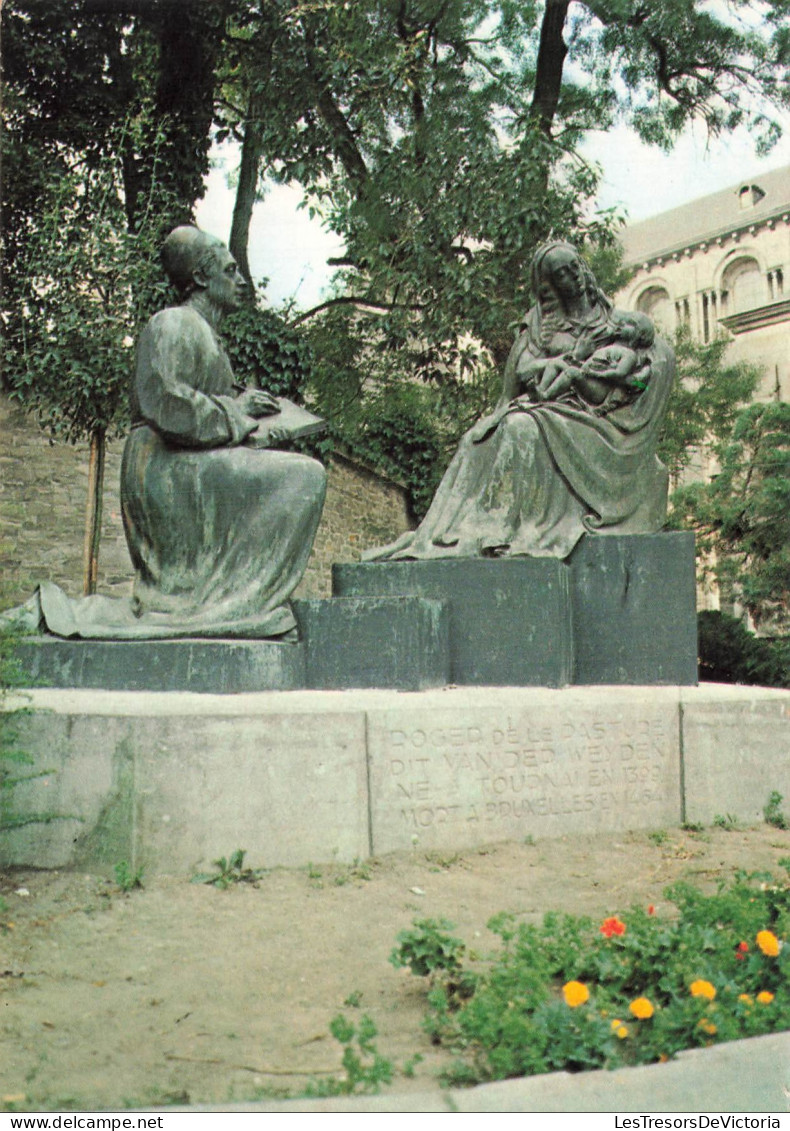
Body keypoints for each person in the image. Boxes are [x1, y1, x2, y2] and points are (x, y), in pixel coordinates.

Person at [5, 226, 327, 639]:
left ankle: (229, 601)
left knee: (297, 474)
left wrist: (259, 423)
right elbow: (166, 403)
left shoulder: (210, 337)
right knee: (303, 477)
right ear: (200, 277)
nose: (242, 280)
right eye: (230, 271)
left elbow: (212, 411)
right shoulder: (172, 322)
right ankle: (231, 606)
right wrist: (237, 411)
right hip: (163, 467)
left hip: (190, 461)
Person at [363, 241, 674, 563]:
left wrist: (623, 381)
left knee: (519, 428)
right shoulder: (541, 326)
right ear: (551, 285)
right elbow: (521, 370)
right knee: (476, 439)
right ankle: (464, 531)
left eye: (574, 267)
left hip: (596, 418)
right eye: (562, 274)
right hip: (550, 403)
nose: (574, 277)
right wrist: (564, 361)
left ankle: (496, 529)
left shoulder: (619, 323)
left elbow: (652, 363)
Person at [535, 310, 654, 413]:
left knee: (571, 372)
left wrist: (597, 373)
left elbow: (620, 373)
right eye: (623, 322)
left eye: (630, 324)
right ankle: (541, 389)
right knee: (555, 363)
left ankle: (546, 396)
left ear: (640, 335)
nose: (621, 324)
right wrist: (578, 362)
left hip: (598, 389)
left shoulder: (629, 354)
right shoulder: (609, 347)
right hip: (587, 377)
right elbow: (591, 364)